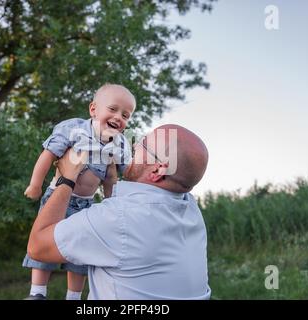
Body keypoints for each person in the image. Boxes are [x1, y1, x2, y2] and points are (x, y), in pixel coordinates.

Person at [27, 124, 211, 299]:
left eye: (143, 144)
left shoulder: (119, 218)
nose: (134, 145)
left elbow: (38, 247)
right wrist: (112, 181)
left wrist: (67, 179)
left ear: (158, 169)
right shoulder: (191, 210)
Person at [22, 84, 136, 300]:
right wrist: (35, 184)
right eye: (112, 109)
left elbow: (128, 173)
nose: (118, 117)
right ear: (93, 110)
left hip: (86, 203)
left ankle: (73, 296)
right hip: (57, 196)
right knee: (45, 240)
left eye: (125, 115)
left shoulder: (120, 144)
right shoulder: (75, 129)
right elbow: (48, 154)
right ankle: (37, 292)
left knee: (81, 250)